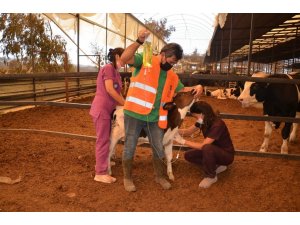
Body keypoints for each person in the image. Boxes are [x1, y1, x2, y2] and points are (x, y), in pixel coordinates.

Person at [120, 28, 203, 192]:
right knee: (130, 145)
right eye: (171, 61)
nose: (171, 65)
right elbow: (125, 58)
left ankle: (159, 176)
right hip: (134, 114)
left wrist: (197, 86)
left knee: (158, 146)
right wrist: (139, 41)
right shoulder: (148, 60)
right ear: (163, 54)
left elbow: (182, 89)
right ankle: (127, 178)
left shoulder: (172, 75)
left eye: (174, 63)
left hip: (155, 118)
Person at [174, 101, 235, 188]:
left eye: (195, 116)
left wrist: (183, 141)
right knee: (188, 155)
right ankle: (217, 165)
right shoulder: (203, 120)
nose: (196, 118)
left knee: (207, 148)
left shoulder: (218, 124)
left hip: (226, 155)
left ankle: (211, 176)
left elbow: (203, 146)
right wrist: (173, 131)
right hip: (213, 151)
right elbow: (188, 131)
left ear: (202, 114)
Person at [89, 47, 125, 184]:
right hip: (102, 109)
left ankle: (103, 162)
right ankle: (100, 172)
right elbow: (110, 89)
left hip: (108, 110)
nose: (125, 62)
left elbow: (118, 93)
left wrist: (124, 103)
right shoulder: (108, 69)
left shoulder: (116, 72)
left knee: (106, 138)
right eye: (124, 58)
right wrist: (125, 104)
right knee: (103, 140)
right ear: (117, 56)